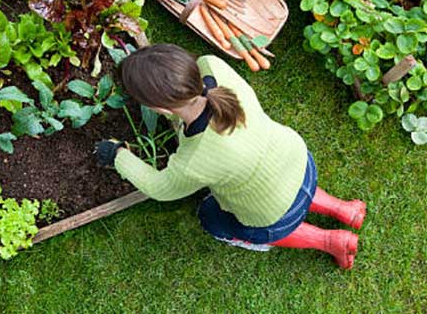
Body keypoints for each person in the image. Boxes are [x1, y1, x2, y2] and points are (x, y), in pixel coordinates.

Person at [95, 44, 366, 269]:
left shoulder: (194, 160)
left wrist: (117, 155)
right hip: (298, 161)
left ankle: (330, 241)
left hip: (272, 213)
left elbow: (160, 188)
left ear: (158, 108)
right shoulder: (214, 67)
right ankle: (345, 209)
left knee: (210, 218)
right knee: (282, 183)